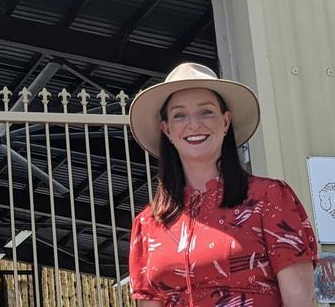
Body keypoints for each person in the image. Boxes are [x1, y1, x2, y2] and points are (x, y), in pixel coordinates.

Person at [127, 62, 317, 306]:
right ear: (167, 130)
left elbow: (300, 301)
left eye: (206, 112)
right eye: (179, 115)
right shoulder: (147, 224)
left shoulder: (269, 198)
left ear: (225, 122)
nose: (193, 124)